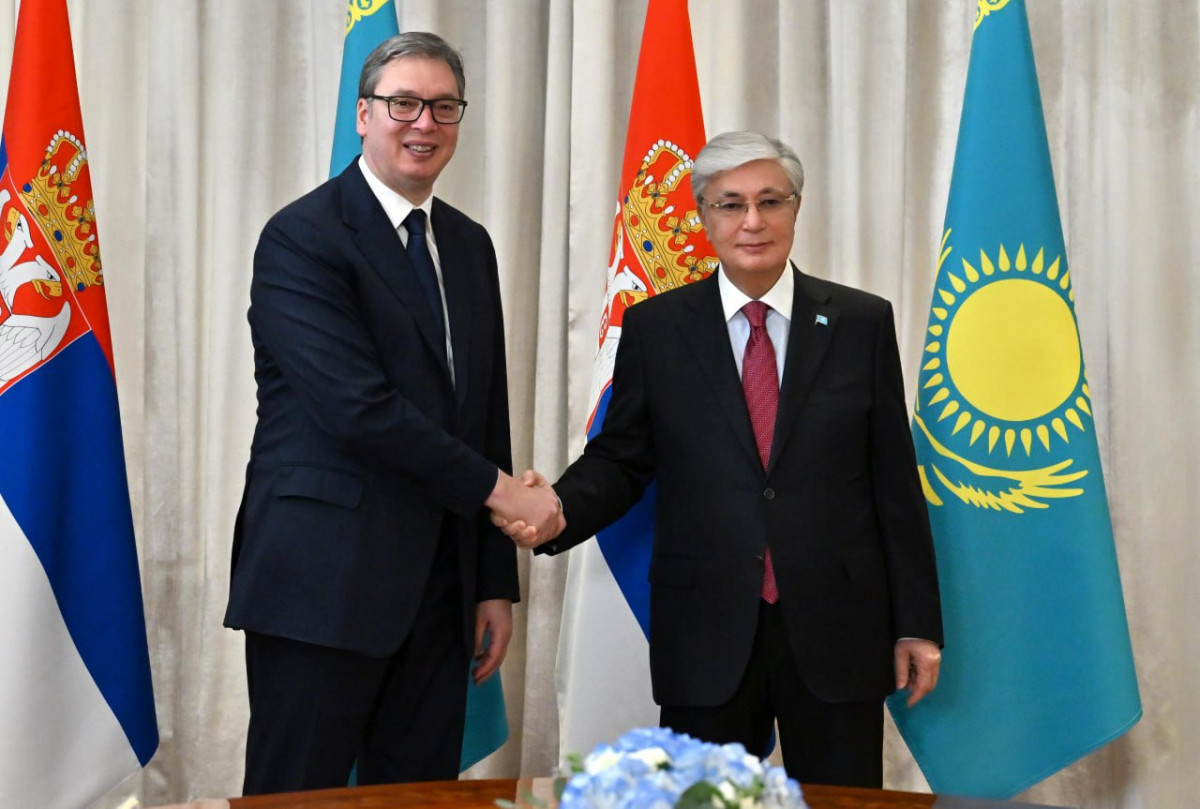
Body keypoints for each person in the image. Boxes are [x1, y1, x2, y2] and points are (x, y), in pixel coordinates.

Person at [502, 131, 943, 788]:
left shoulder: (861, 322)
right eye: (731, 204)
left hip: (837, 629)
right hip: (704, 628)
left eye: (770, 201)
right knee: (705, 801)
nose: (752, 221)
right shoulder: (656, 329)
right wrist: (559, 507)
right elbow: (622, 460)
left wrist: (917, 624)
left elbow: (893, 482)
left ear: (796, 208)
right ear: (704, 217)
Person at [224, 32, 560, 795]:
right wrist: (506, 494)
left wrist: (492, 580)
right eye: (403, 103)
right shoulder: (302, 237)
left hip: (441, 591)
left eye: (443, 107)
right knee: (296, 795)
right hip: (320, 583)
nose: (423, 123)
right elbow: (358, 409)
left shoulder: (469, 245)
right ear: (363, 114)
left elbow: (484, 414)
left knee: (419, 797)